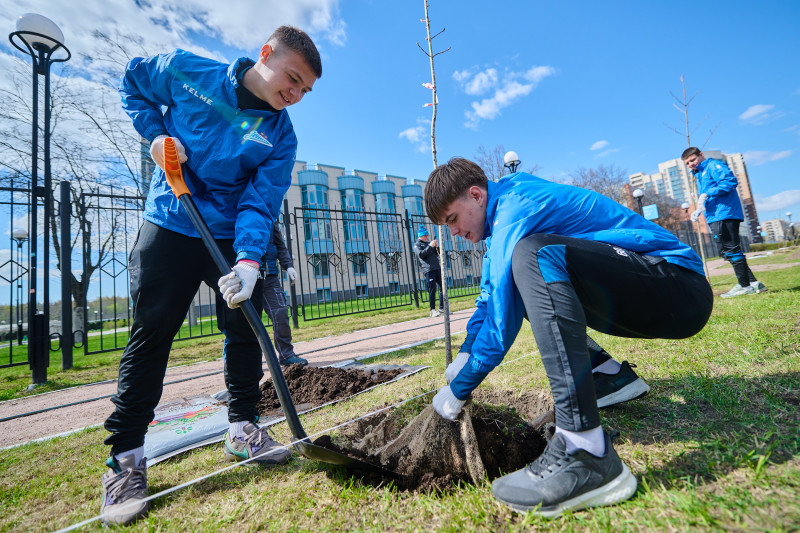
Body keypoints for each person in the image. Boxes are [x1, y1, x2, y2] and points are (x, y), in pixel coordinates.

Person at [100, 26, 322, 526]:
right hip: (171, 221)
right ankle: (126, 459)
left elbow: (261, 198)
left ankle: (243, 430)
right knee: (152, 334)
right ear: (266, 54)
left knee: (244, 332)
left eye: (305, 90)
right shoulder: (187, 70)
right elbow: (134, 83)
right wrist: (154, 136)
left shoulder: (281, 133)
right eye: (293, 79)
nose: (296, 94)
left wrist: (247, 261)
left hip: (227, 236)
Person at [425, 158, 712, 516]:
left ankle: (585, 450)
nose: (452, 232)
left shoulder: (517, 208)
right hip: (652, 290)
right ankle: (607, 377)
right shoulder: (503, 215)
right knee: (525, 268)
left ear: (475, 195)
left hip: (677, 285)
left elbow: (500, 320)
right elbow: (491, 292)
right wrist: (466, 351)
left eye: (452, 219)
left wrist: (460, 388)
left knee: (532, 255)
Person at [682, 147, 767, 298]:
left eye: (693, 160)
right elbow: (708, 195)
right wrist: (699, 208)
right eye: (687, 163)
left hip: (724, 213)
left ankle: (745, 286)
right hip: (716, 214)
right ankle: (752, 283)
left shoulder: (713, 166)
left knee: (730, 249)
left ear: (701, 155)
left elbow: (730, 181)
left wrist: (708, 193)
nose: (691, 164)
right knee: (725, 251)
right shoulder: (700, 173)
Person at [262, 222, 307, 366]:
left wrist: (288, 266)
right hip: (245, 277)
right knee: (243, 324)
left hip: (270, 278)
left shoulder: (269, 217)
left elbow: (280, 246)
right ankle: (247, 364)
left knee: (281, 314)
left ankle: (286, 354)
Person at [414, 225, 444, 317]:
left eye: (427, 235)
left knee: (443, 288)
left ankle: (442, 308)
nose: (427, 237)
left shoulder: (428, 244)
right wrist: (431, 246)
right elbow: (421, 254)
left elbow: (438, 254)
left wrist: (436, 246)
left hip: (437, 268)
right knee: (432, 290)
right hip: (429, 270)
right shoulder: (417, 245)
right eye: (425, 236)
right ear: (420, 236)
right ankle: (432, 310)